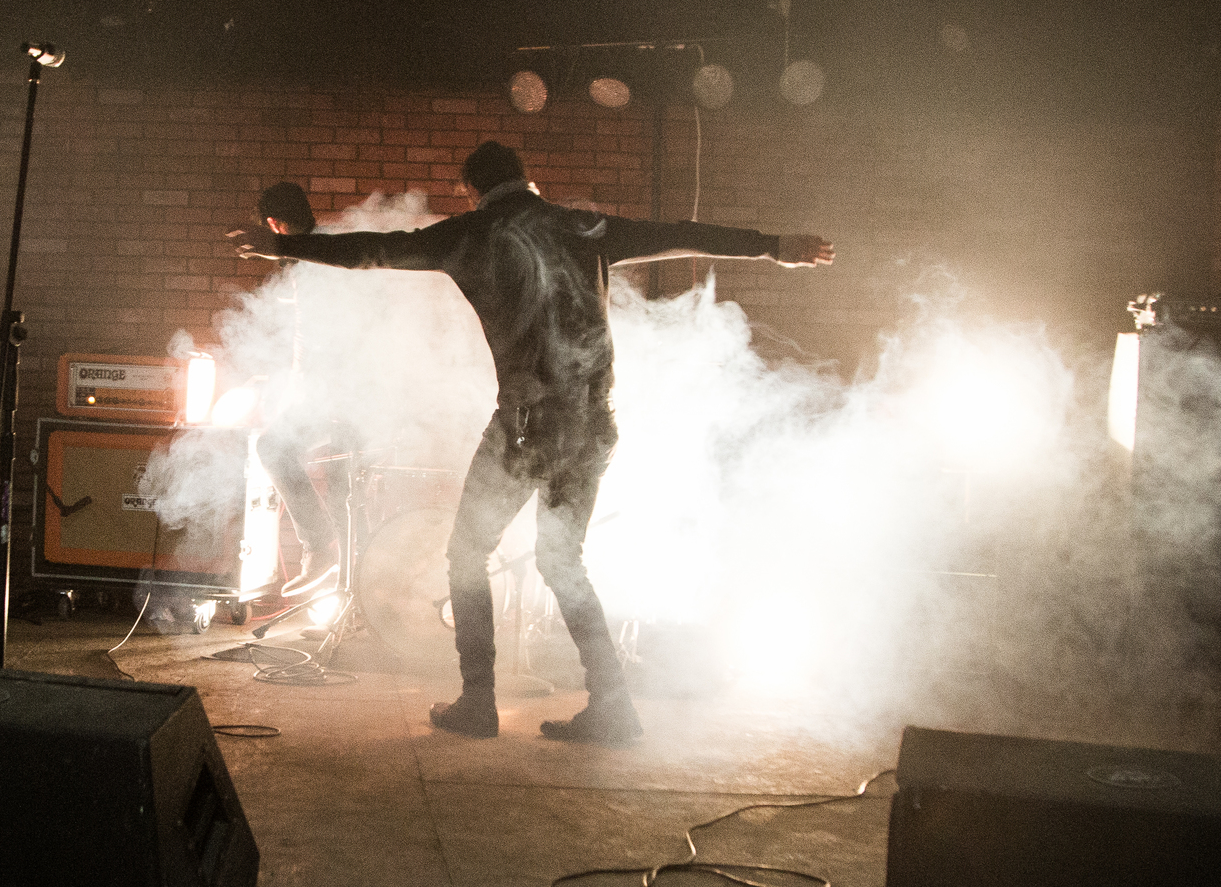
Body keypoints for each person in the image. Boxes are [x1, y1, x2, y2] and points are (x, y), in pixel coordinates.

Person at [235, 142, 833, 742]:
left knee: (467, 553)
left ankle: (478, 702)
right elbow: (679, 233)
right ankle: (613, 706)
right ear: (528, 180)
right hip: (595, 423)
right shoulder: (582, 226)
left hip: (527, 424)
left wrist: (286, 245)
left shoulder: (471, 233)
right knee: (562, 561)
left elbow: (373, 252)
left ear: (473, 190)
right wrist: (775, 246)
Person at [251, 181, 353, 598]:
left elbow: (321, 338)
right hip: (348, 393)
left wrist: (311, 392)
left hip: (339, 393)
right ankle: (349, 586)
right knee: (346, 485)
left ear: (274, 224)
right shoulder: (321, 250)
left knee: (273, 448)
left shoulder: (309, 259)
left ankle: (322, 552)